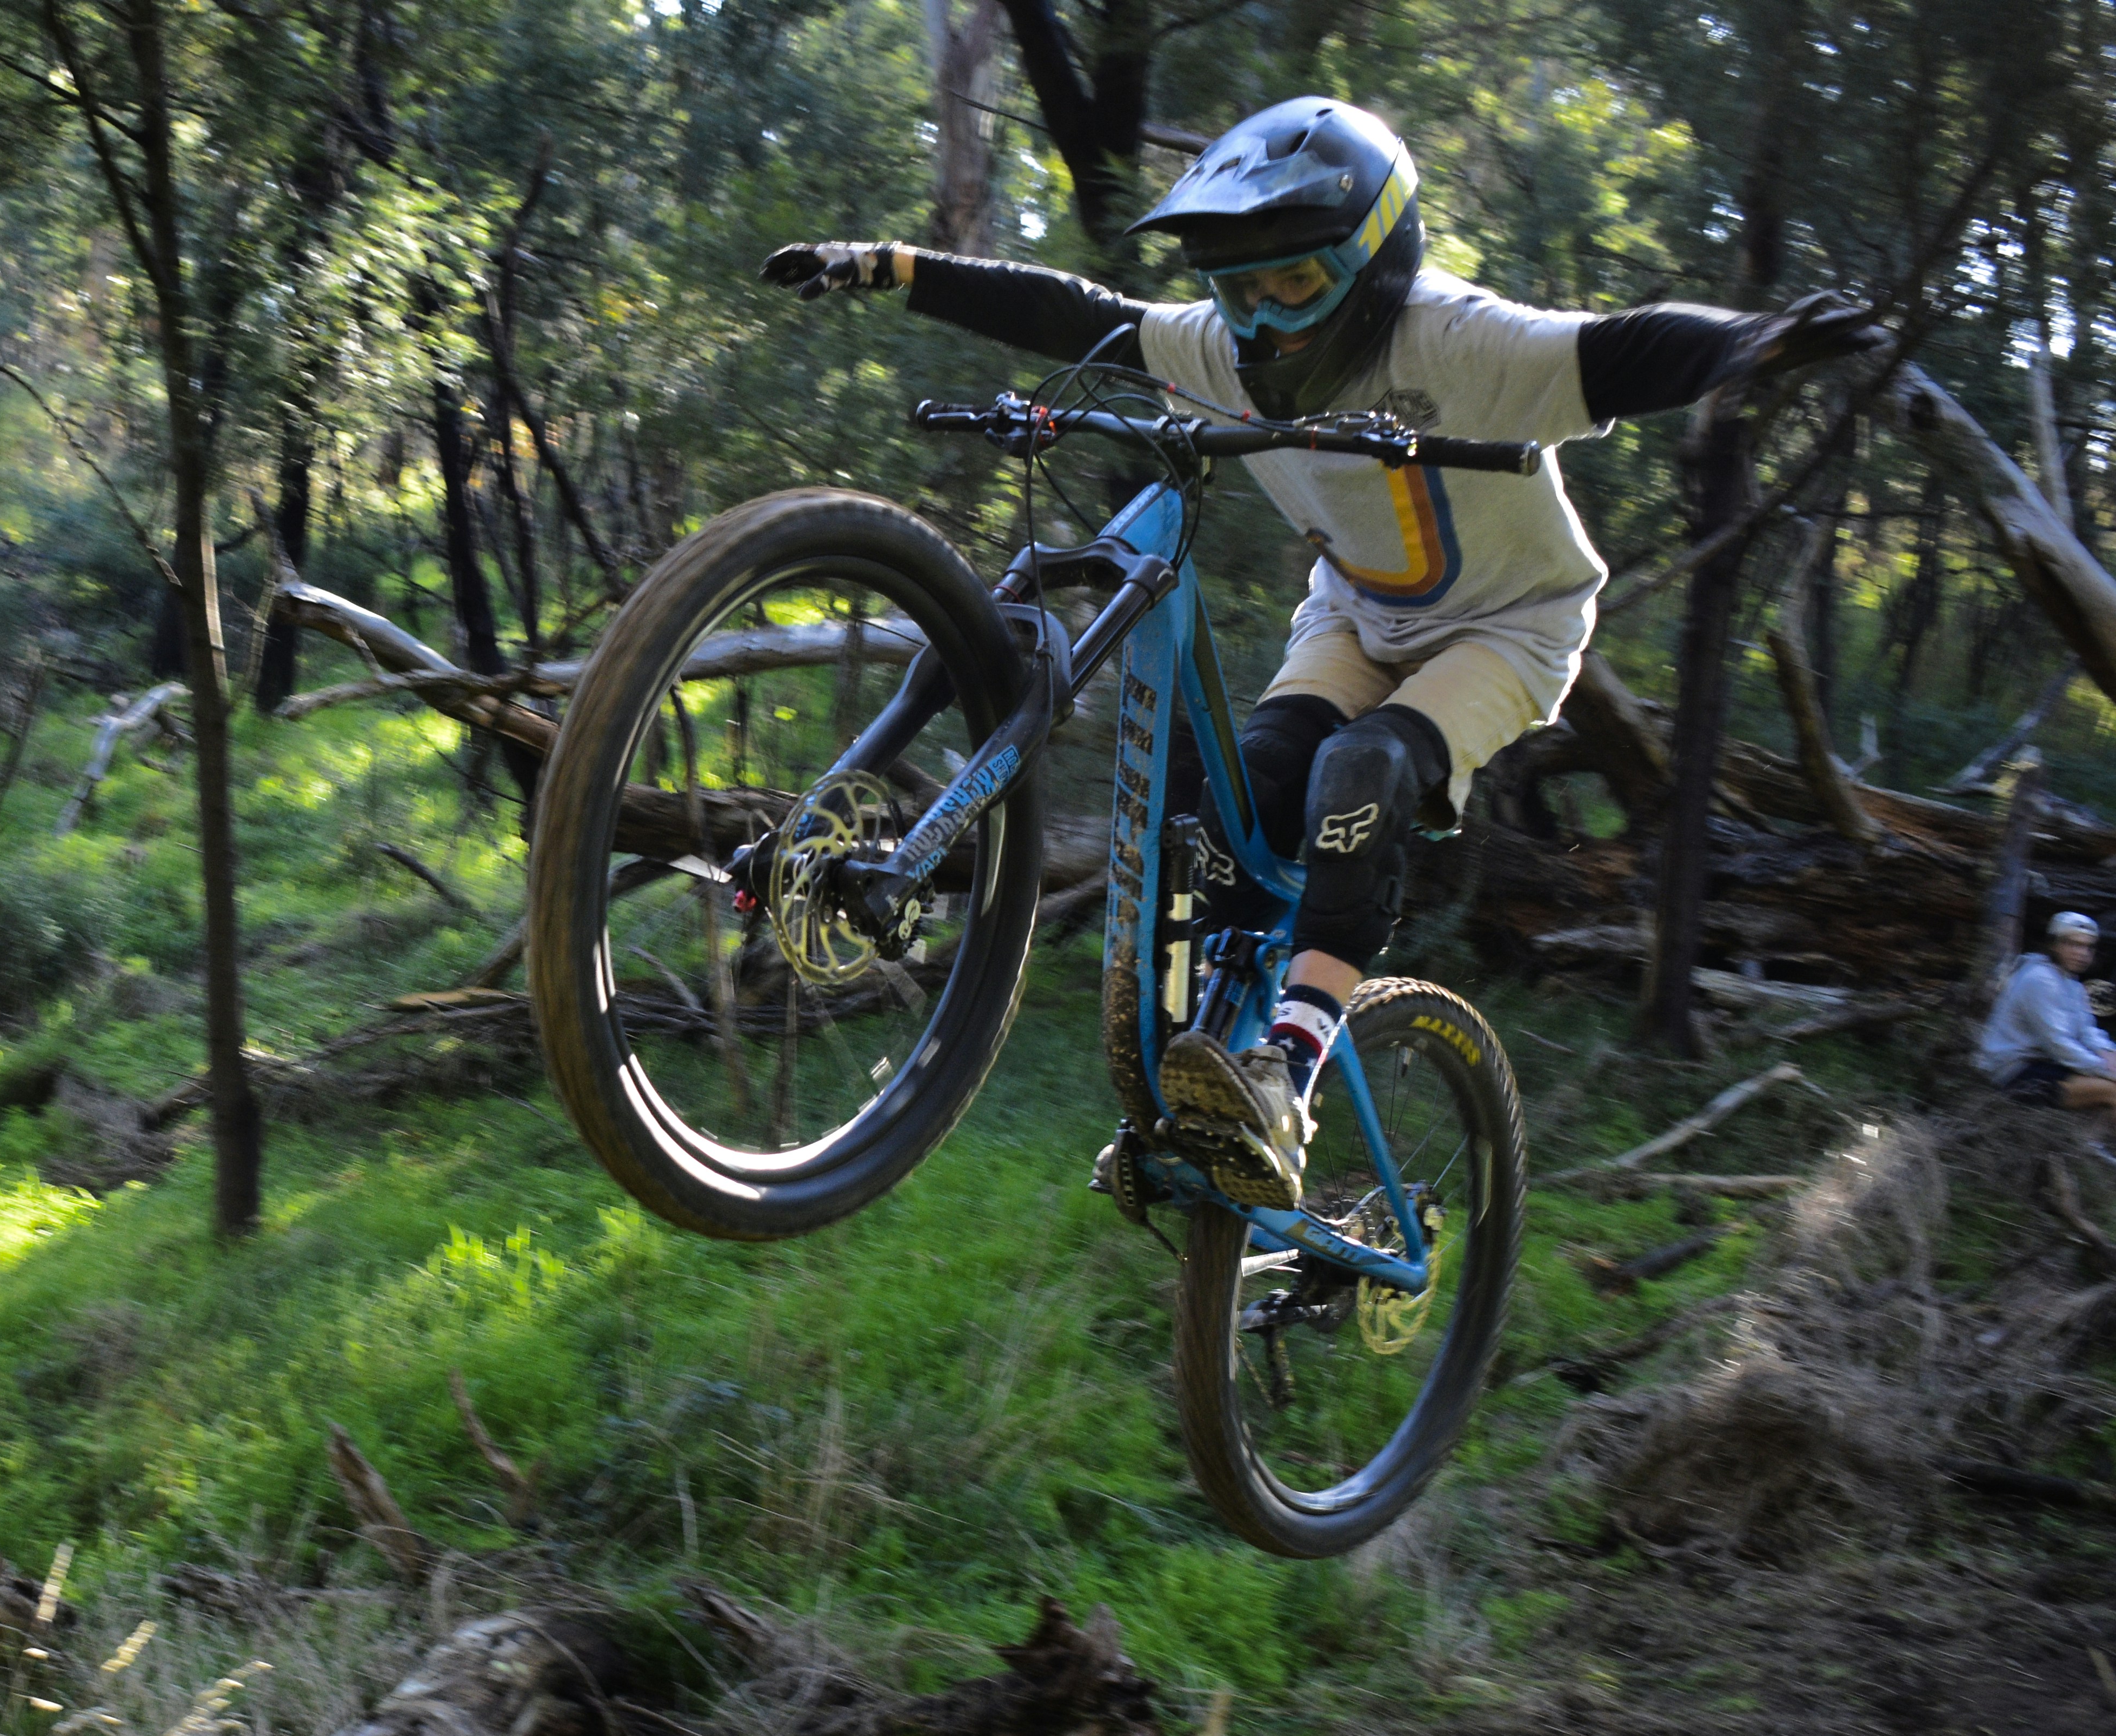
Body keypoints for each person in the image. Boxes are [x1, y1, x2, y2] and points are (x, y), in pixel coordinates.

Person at [761, 97, 1881, 1208]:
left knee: (1363, 775)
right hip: (1355, 619)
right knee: (1234, 793)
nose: (1259, 319)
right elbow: (1074, 314)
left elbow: (1625, 349)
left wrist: (1755, 342)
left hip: (1511, 626)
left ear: (1374, 264)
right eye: (1235, 287)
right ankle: (1195, 1085)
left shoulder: (1459, 339)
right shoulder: (1218, 349)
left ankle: (1285, 1080)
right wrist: (892, 265)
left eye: (1292, 283)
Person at [1979, 910, 2116, 1147]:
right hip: (2015, 1074)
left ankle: (2091, 1147)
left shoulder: (2070, 983)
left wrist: (2108, 1053)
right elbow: (2058, 1044)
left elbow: (2087, 1031)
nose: (2082, 953)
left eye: (2088, 947)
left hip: (2043, 1066)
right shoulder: (2040, 980)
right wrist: (2105, 1070)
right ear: (2054, 944)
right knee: (2113, 1091)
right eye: (2073, 944)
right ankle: (2091, 1150)